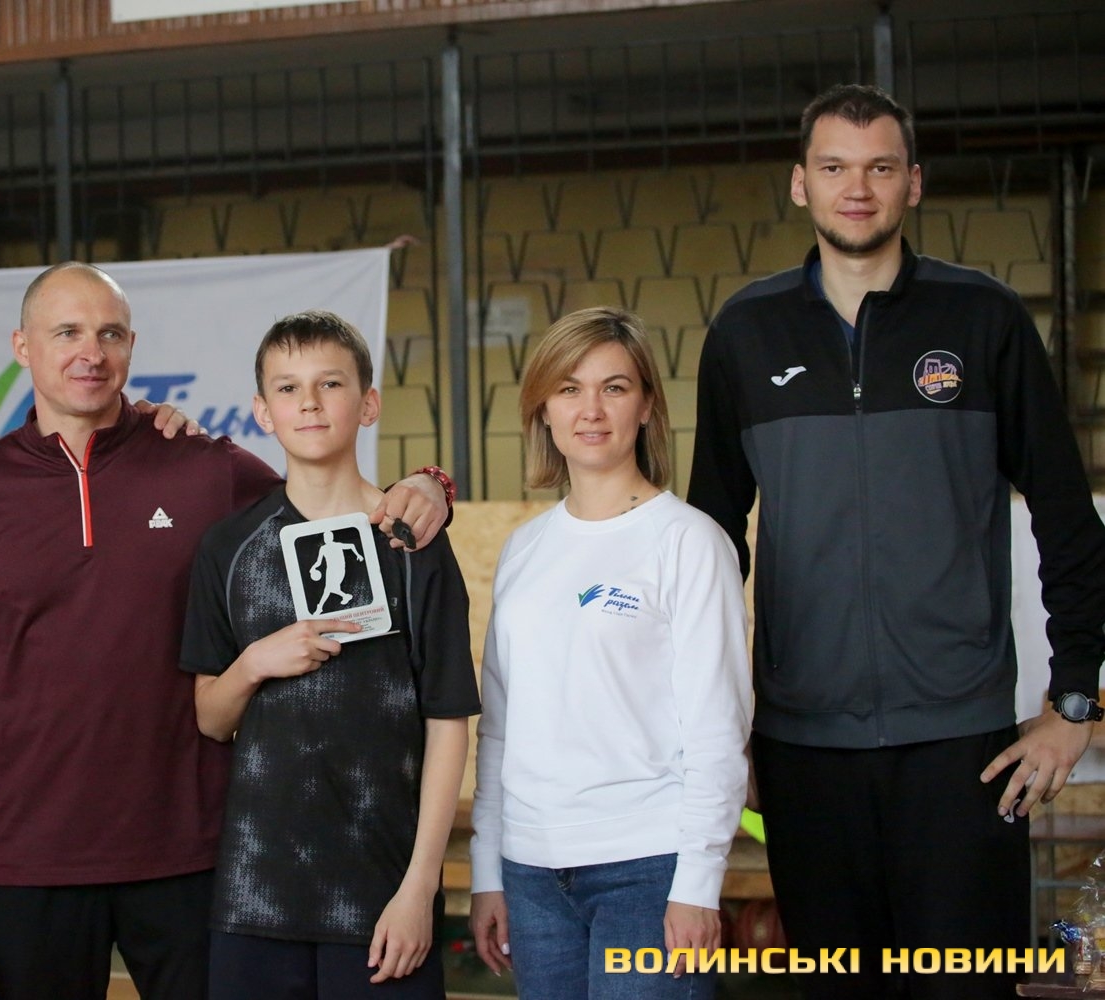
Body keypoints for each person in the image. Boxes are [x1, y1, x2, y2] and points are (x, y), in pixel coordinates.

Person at [0, 265, 453, 1000]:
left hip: (191, 853)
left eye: (109, 334)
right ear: (22, 346)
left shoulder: (203, 466)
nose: (91, 353)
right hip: (34, 854)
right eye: (67, 333)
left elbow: (323, 485)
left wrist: (430, 483)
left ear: (131, 346)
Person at [687, 83, 1105, 999]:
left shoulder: (983, 319)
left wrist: (1074, 703)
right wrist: (721, 732)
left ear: (913, 182)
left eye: (880, 168)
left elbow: (1069, 519)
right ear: (800, 183)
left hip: (963, 749)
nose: (858, 189)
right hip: (803, 753)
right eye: (835, 167)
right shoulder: (747, 332)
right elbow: (711, 551)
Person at [182, 310, 479, 999]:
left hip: (382, 898)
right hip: (256, 895)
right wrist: (255, 662)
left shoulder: (414, 543)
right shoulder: (228, 547)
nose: (309, 403)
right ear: (263, 411)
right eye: (288, 388)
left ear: (368, 404)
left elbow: (447, 723)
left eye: (331, 384)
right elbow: (209, 719)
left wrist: (420, 888)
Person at [467, 306, 751, 1000]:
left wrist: (697, 882)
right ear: (543, 409)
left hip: (647, 868)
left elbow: (718, 729)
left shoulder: (690, 541)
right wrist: (488, 872)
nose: (590, 409)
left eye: (614, 387)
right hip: (531, 874)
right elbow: (499, 729)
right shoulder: (524, 549)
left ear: (646, 405)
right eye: (569, 389)